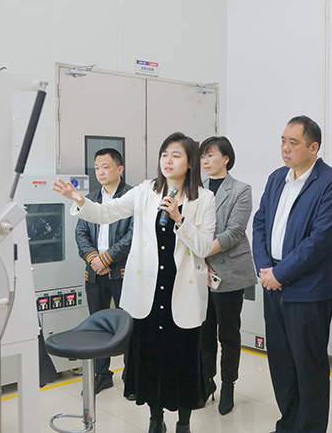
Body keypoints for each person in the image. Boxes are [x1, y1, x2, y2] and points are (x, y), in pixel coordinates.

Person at [53, 132, 216, 433]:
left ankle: (183, 423)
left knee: (182, 361)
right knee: (152, 360)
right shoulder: (145, 191)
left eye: (176, 155)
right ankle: (156, 419)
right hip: (148, 294)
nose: (168, 161)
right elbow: (106, 212)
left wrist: (180, 219)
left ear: (191, 162)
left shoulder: (204, 199)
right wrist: (80, 200)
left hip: (182, 293)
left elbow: (205, 246)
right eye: (164, 154)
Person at [252, 115, 332, 433]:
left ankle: (309, 428)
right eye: (283, 141)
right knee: (281, 362)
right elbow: (260, 224)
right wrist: (265, 269)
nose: (285, 148)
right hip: (273, 284)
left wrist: (280, 274)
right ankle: (288, 423)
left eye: (293, 143)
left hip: (308, 290)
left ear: (313, 147)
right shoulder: (276, 178)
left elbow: (319, 241)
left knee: (309, 367)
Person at [198, 136, 257, 415]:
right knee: (203, 331)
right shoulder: (196, 189)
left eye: (211, 155)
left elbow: (234, 232)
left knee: (228, 333)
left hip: (229, 271)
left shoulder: (241, 190)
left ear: (226, 158)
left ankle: (228, 384)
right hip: (199, 272)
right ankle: (206, 381)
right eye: (203, 156)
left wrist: (202, 251)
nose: (205, 161)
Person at [74, 148, 134, 394]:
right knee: (97, 326)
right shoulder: (89, 199)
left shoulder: (132, 197)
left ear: (119, 169)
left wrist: (107, 258)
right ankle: (102, 374)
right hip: (94, 273)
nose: (100, 172)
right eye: (97, 167)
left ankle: (131, 375)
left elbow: (134, 235)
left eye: (105, 167)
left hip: (124, 273)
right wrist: (93, 259)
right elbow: (81, 233)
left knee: (128, 325)